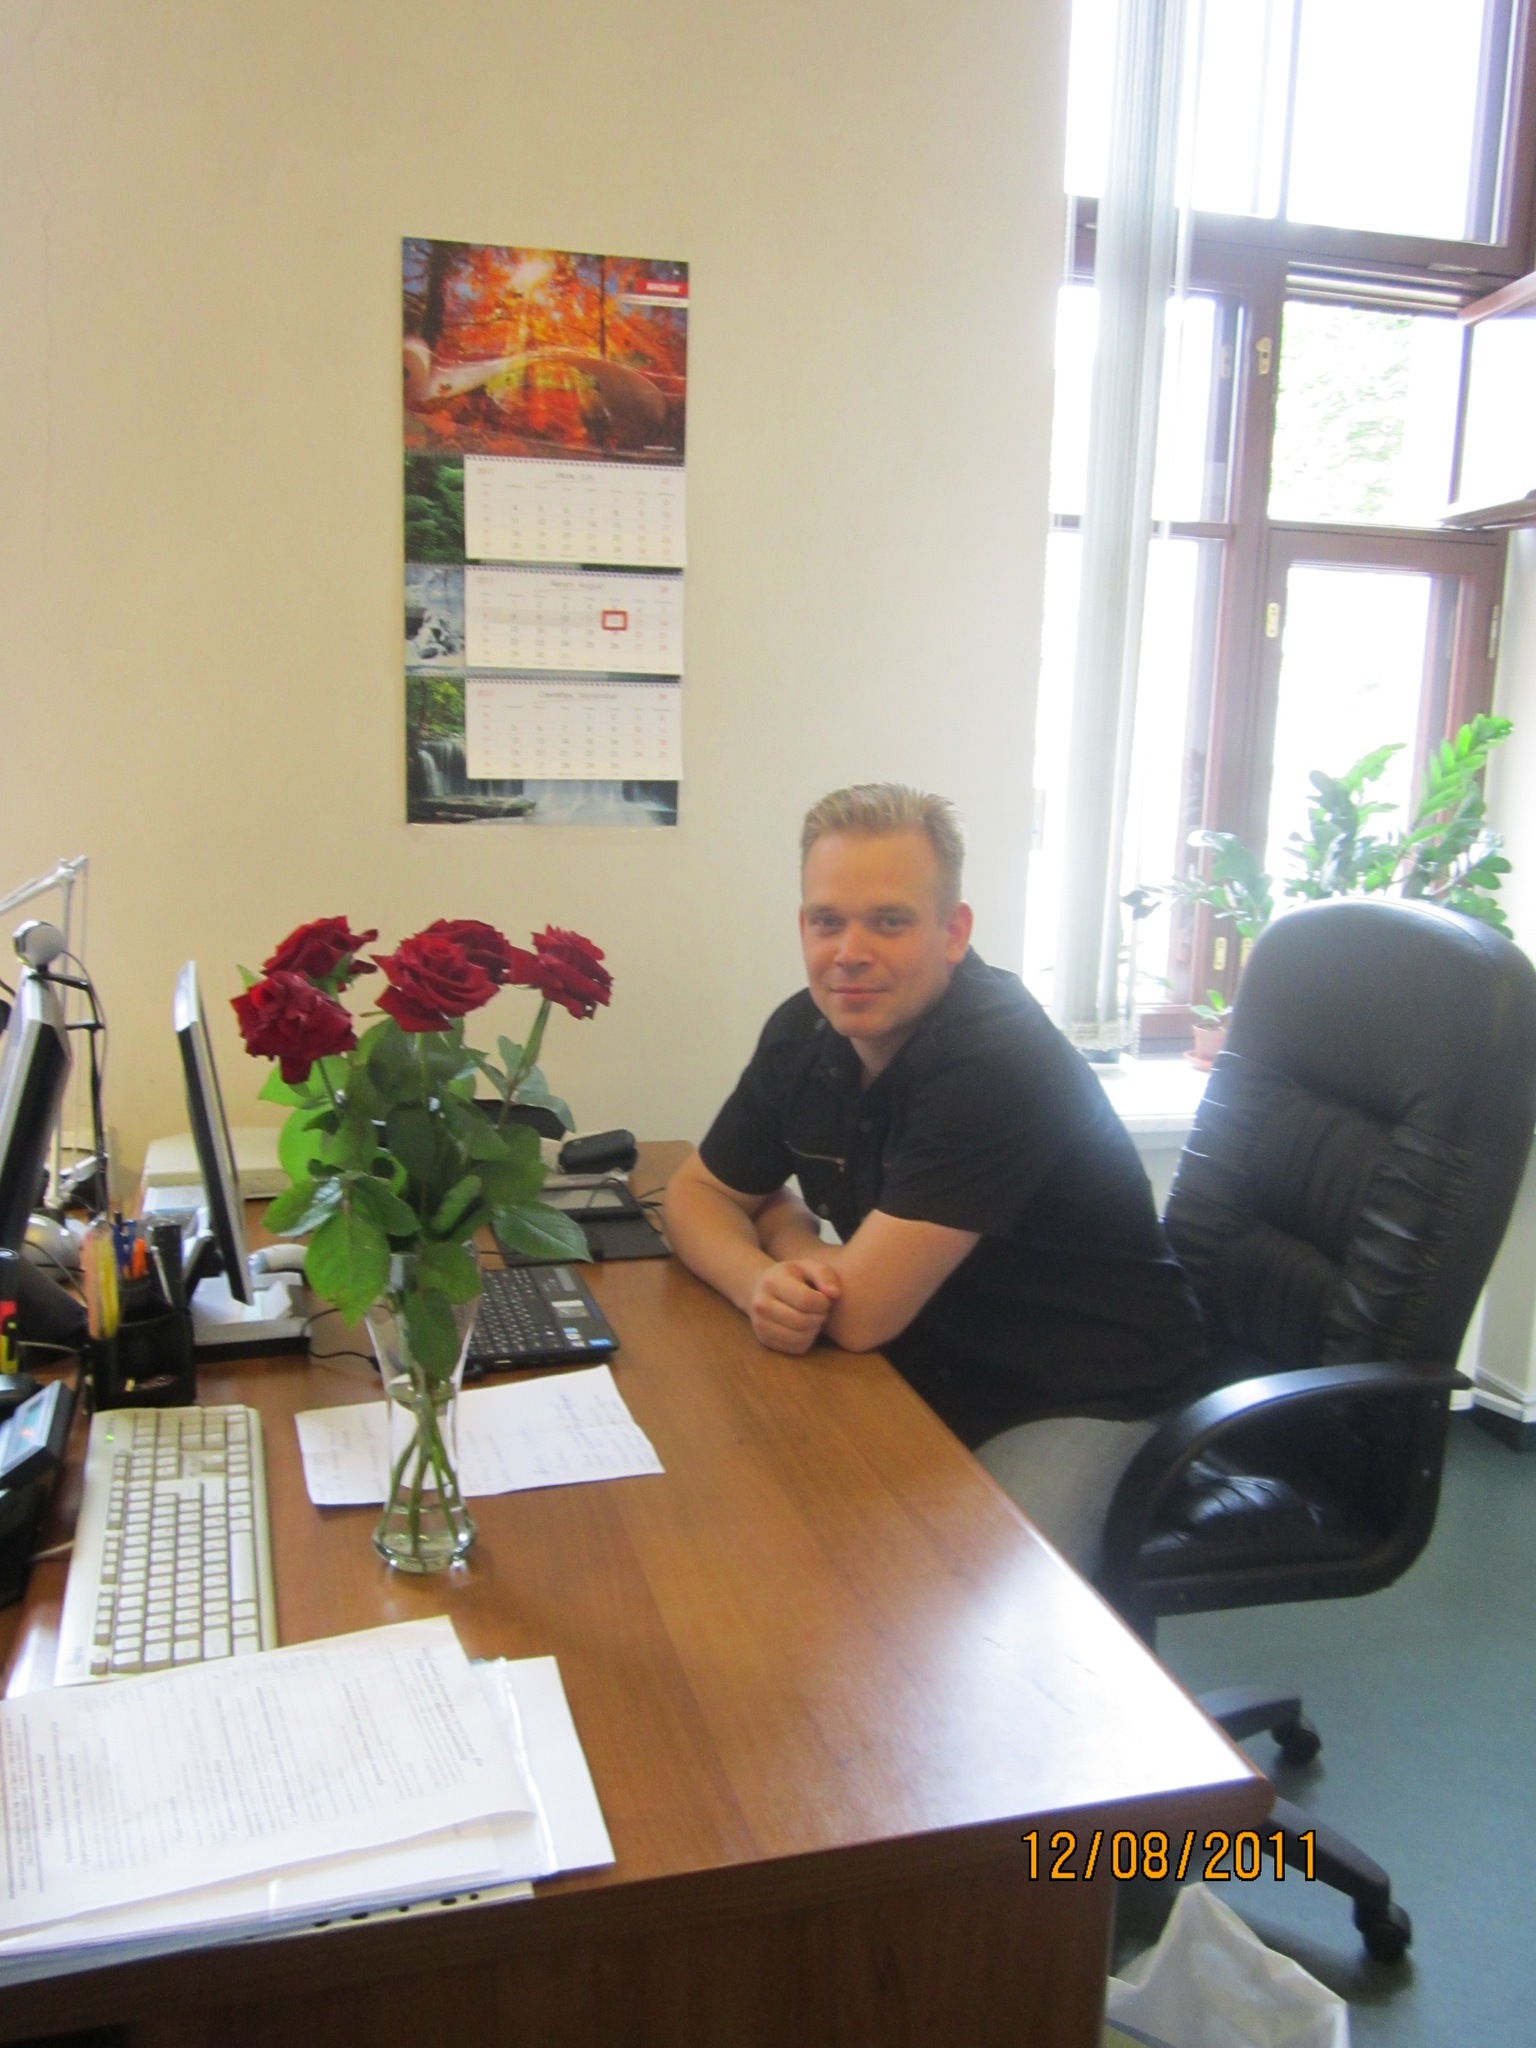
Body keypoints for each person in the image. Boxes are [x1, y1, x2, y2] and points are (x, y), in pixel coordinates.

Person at [663, 783, 1206, 1576]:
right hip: (929, 1359)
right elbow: (696, 1195)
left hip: (1088, 1392)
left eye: (889, 921)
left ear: (954, 932)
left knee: (954, 1601)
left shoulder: (994, 1058)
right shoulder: (805, 1030)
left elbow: (857, 1315)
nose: (850, 952)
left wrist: (785, 1233)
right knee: (750, 1513)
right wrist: (760, 1282)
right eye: (828, 921)